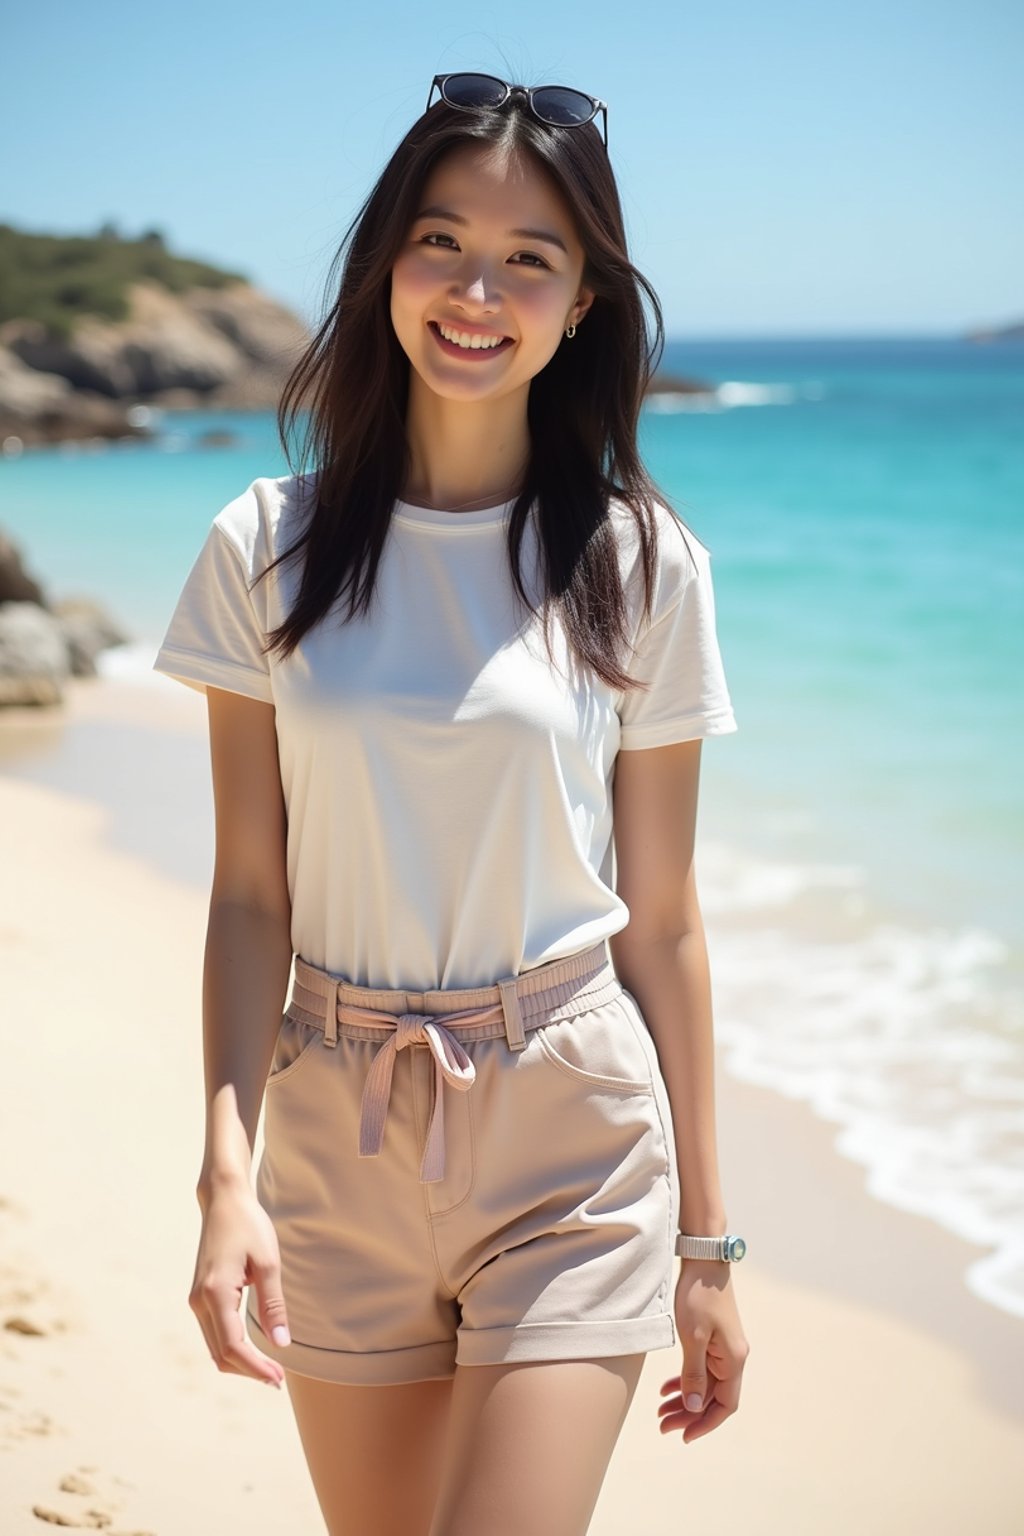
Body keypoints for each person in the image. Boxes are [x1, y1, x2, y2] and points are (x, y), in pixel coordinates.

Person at [153, 71, 750, 1536]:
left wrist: (710, 1245)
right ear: (387, 267)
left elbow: (665, 921)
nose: (478, 289)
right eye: (441, 242)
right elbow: (249, 893)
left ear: (583, 303)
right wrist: (224, 1186)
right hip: (335, 1137)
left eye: (530, 257)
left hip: (574, 1138)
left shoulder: (641, 564)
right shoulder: (263, 547)